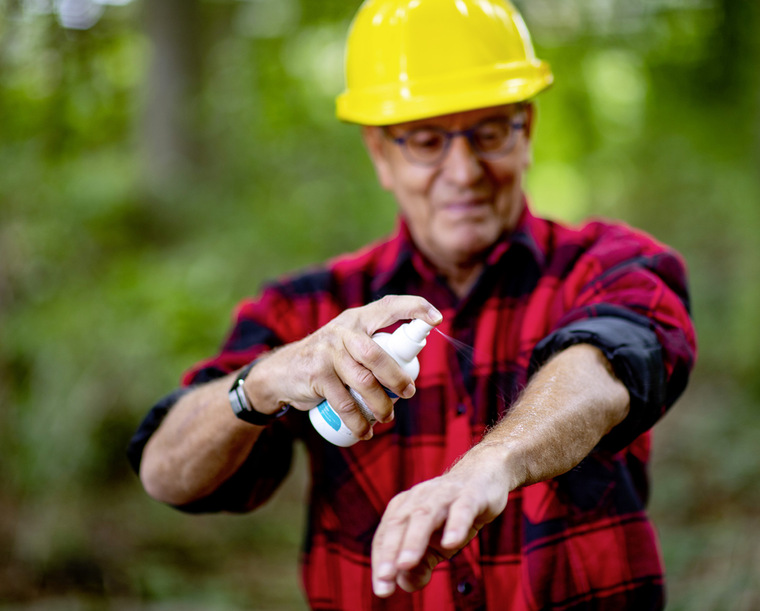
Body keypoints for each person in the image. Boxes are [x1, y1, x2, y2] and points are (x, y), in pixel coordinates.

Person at [127, 0, 697, 609]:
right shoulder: (305, 309)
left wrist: (494, 464)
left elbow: (609, 365)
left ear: (526, 131)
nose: (464, 171)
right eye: (426, 141)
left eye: (489, 132)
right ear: (381, 154)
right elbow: (165, 475)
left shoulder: (614, 265)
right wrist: (263, 382)